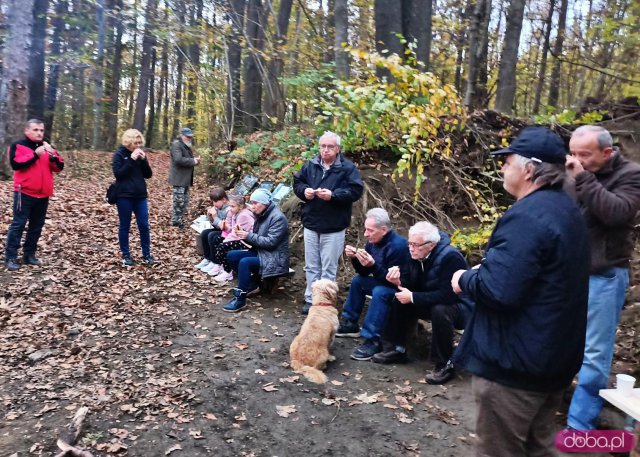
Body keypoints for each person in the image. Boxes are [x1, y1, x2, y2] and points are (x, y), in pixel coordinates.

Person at [450, 127, 590, 456]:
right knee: (537, 448)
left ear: (529, 169)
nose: (502, 168)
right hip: (549, 362)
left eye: (507, 161)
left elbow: (499, 291)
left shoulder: (527, 217)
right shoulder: (568, 210)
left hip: (514, 368)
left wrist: (464, 279)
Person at [565, 125, 640, 430]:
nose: (577, 159)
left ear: (607, 152)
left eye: (585, 154)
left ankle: (579, 424)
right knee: (561, 340)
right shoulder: (572, 172)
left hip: (605, 275)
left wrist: (583, 178)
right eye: (574, 153)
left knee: (595, 353)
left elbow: (617, 213)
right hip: (569, 273)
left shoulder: (631, 174)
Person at [373, 221, 470, 385]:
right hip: (432, 299)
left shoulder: (451, 257)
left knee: (440, 310)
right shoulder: (414, 254)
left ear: (431, 245)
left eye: (416, 245)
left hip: (461, 306)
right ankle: (396, 348)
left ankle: (444, 364)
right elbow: (411, 284)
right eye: (409, 243)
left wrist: (413, 297)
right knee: (399, 298)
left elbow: (449, 295)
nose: (411, 248)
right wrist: (398, 282)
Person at [293, 131, 364, 314]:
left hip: (333, 226)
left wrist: (333, 195)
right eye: (323, 146)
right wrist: (305, 191)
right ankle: (310, 299)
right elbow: (297, 182)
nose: (326, 150)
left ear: (338, 148)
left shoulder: (347, 168)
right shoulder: (311, 164)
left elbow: (355, 191)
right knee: (311, 265)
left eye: (330, 147)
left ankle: (325, 302)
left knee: (329, 266)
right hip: (311, 222)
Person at [336, 208, 409, 361]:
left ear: (383, 230)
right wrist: (355, 259)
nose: (365, 234)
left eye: (370, 230)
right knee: (358, 281)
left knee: (379, 291)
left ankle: (373, 339)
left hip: (401, 289)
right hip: (383, 282)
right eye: (365, 229)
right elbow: (363, 273)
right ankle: (350, 322)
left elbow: (393, 281)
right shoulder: (373, 242)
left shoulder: (398, 247)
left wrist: (373, 265)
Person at [4, 119, 64, 271]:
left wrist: (53, 157)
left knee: (37, 226)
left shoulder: (47, 147)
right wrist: (35, 155)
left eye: (41, 130)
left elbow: (59, 167)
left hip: (43, 194)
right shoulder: (18, 146)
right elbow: (16, 165)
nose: (39, 133)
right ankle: (10, 257)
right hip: (24, 192)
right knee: (18, 224)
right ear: (27, 131)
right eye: (36, 130)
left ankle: (29, 255)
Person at [221, 189, 289, 313]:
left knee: (245, 262)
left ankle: (240, 299)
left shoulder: (278, 218)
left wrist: (247, 236)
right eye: (251, 203)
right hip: (262, 252)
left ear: (265, 203)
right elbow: (257, 239)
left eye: (255, 203)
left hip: (274, 257)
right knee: (232, 255)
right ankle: (253, 284)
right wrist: (242, 234)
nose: (252, 206)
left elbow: (270, 243)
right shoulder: (261, 214)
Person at [112, 129, 154, 266]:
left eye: (140, 143)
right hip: (124, 195)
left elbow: (148, 174)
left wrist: (143, 160)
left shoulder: (140, 154)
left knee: (144, 225)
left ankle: (147, 255)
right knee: (125, 225)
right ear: (129, 142)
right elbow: (119, 174)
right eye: (135, 143)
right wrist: (131, 159)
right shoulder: (119, 154)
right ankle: (126, 255)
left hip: (140, 195)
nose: (138, 145)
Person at [209, 194, 255, 282]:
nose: (230, 208)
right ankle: (221, 265)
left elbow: (236, 233)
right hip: (240, 238)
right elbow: (233, 230)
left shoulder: (243, 215)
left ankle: (228, 271)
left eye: (233, 206)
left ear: (240, 206)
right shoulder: (236, 213)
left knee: (222, 246)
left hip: (247, 242)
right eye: (230, 206)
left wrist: (226, 240)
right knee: (218, 240)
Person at [169, 127, 200, 229]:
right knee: (179, 201)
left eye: (190, 136)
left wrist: (195, 160)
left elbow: (186, 159)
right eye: (187, 136)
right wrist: (193, 161)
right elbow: (178, 159)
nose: (190, 138)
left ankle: (179, 219)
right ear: (182, 135)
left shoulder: (186, 145)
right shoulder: (176, 145)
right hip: (179, 179)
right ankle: (176, 221)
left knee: (185, 201)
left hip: (185, 179)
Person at [195, 187, 230, 273]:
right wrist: (210, 218)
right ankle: (208, 258)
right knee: (205, 233)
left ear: (224, 200)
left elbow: (224, 226)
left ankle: (215, 261)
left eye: (216, 201)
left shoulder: (228, 209)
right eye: (213, 201)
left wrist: (215, 217)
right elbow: (216, 225)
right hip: (221, 229)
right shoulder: (219, 208)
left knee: (212, 236)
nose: (214, 204)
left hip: (227, 232)